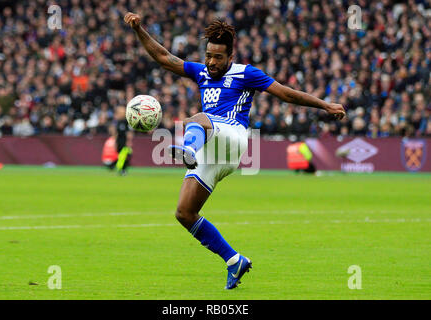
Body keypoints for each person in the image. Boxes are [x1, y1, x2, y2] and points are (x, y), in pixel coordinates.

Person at [124, 13, 346, 289]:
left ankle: (186, 149)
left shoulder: (245, 73)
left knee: (197, 119)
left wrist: (325, 105)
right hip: (212, 150)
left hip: (234, 137)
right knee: (184, 213)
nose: (211, 62)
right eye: (208, 55)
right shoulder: (201, 72)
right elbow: (164, 58)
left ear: (230, 56)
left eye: (218, 57)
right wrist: (139, 29)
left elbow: (285, 93)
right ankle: (234, 260)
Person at [114, 106, 133, 176]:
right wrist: (115, 142)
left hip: (124, 142)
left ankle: (123, 169)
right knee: (120, 156)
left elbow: (129, 133)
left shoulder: (126, 122)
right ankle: (120, 170)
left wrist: (129, 142)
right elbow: (116, 133)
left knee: (125, 156)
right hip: (119, 142)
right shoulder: (118, 122)